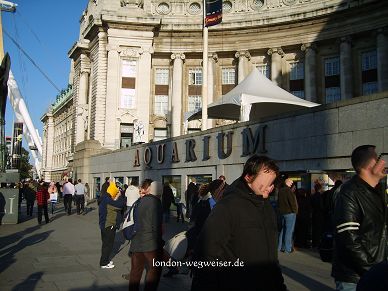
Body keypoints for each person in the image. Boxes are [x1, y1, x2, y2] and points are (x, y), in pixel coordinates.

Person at [191, 155, 287, 291]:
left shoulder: (267, 207)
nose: (270, 188)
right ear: (248, 177)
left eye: (272, 183)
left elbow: (271, 258)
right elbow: (206, 254)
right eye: (266, 183)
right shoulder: (227, 207)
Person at [332, 145, 387, 291]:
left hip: (377, 273)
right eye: (379, 159)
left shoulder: (378, 190)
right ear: (370, 165)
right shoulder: (349, 193)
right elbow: (349, 239)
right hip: (355, 278)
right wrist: (374, 270)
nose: (384, 163)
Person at [127, 178, 163, 291]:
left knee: (135, 272)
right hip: (150, 244)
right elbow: (156, 226)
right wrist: (160, 243)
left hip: (136, 242)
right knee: (154, 270)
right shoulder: (156, 203)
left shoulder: (139, 201)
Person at [98, 180, 125, 269]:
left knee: (106, 244)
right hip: (109, 224)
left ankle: (105, 260)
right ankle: (104, 263)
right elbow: (120, 205)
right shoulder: (108, 200)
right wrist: (120, 196)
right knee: (108, 245)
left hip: (104, 224)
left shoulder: (105, 197)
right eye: (116, 190)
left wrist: (116, 196)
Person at [278, 177, 298, 253]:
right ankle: (287, 248)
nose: (292, 183)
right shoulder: (288, 191)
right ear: (288, 182)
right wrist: (295, 211)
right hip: (290, 213)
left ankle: (279, 247)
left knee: (283, 230)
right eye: (291, 182)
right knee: (289, 231)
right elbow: (292, 202)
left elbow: (279, 202)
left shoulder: (281, 191)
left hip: (282, 212)